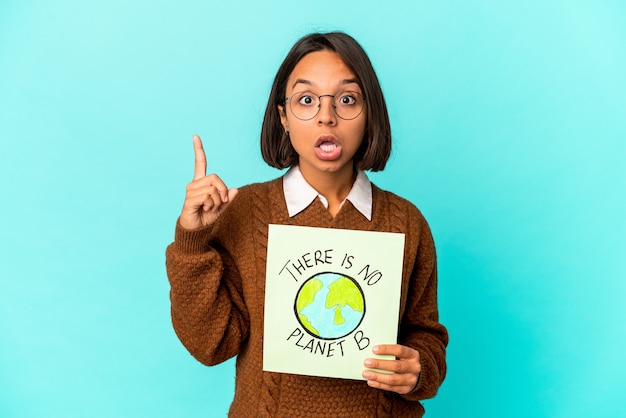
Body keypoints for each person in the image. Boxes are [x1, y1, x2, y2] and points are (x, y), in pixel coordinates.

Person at [166, 31, 448, 417]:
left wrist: (418, 370)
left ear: (370, 114)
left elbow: (425, 335)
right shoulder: (244, 211)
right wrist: (192, 243)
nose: (326, 116)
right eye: (306, 100)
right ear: (283, 116)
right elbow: (211, 345)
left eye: (347, 99)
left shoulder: (406, 223)